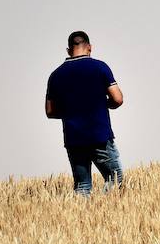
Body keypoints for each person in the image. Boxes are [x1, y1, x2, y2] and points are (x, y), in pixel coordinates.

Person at [45, 31, 125, 195]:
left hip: (74, 138)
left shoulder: (56, 75)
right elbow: (118, 99)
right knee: (115, 180)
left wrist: (72, 111)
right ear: (90, 47)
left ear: (68, 50)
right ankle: (106, 213)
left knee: (82, 186)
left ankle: (81, 218)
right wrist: (103, 104)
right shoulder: (100, 67)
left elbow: (50, 111)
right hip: (99, 135)